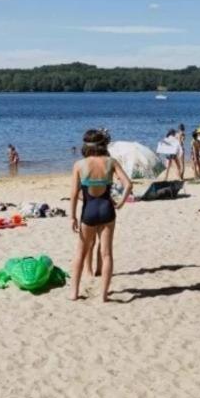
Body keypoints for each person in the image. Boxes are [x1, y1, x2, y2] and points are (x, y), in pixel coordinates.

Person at [68, 129, 132, 302]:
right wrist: (120, 203)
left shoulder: (79, 165)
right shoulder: (111, 162)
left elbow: (74, 194)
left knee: (80, 253)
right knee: (107, 254)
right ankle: (103, 295)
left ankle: (73, 293)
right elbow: (128, 184)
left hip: (88, 211)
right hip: (107, 210)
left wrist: (72, 216)